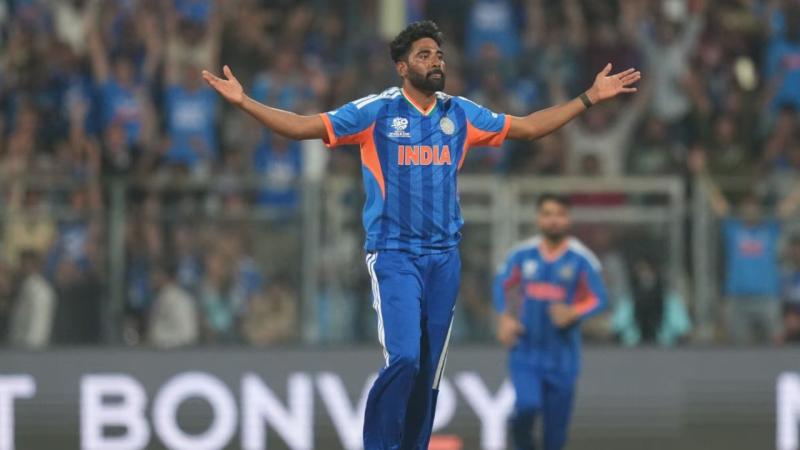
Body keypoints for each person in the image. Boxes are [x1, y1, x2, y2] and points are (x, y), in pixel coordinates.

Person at [202, 20, 639, 449]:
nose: (435, 62)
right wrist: (244, 102)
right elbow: (302, 127)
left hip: (444, 258)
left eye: (439, 55)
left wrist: (588, 98)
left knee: (428, 372)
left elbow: (527, 127)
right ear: (402, 66)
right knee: (405, 358)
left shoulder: (459, 113)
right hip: (394, 254)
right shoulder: (376, 112)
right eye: (424, 55)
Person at [493, 194, 608, 450]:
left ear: (568, 219)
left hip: (563, 358)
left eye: (559, 214)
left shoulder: (581, 259)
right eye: (547, 214)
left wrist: (574, 312)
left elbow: (599, 299)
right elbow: (502, 284)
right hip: (526, 352)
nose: (553, 220)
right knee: (526, 406)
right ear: (538, 218)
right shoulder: (521, 254)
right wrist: (505, 317)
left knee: (555, 434)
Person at [689, 151, 800, 343]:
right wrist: (701, 173)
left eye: (754, 206)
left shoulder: (770, 228)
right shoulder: (733, 228)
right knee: (737, 348)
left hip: (767, 297)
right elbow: (716, 201)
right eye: (746, 206)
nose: (750, 210)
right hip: (737, 298)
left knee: (776, 344)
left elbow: (790, 205)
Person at [8, 251, 56, 349]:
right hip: (16, 347)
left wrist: (31, 349)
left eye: (29, 265)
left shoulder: (41, 291)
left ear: (38, 266)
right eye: (23, 264)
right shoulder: (23, 286)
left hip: (30, 350)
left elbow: (39, 326)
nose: (24, 268)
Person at [147, 259, 199, 349]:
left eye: (155, 274)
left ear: (164, 276)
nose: (151, 278)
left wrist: (159, 340)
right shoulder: (160, 297)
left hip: (175, 354)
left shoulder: (181, 300)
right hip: (159, 352)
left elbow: (188, 335)